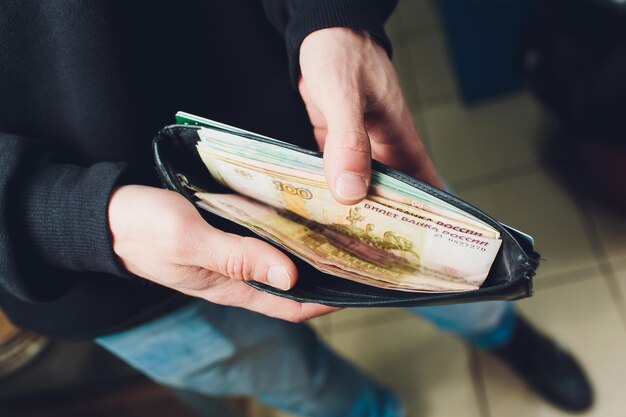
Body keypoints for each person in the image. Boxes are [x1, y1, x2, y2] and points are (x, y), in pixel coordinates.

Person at [0, 1, 591, 416]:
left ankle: (503, 334)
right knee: (311, 393)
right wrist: (70, 219)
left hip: (304, 133)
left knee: (461, 272)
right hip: (99, 273)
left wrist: (331, 16)